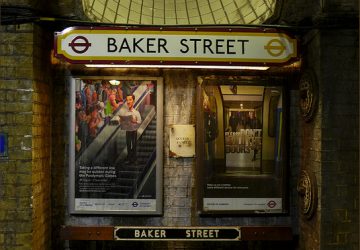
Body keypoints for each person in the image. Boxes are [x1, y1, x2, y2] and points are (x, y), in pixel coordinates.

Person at [120, 94, 142, 164]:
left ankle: (134, 159)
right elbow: (123, 122)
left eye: (130, 100)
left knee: (134, 144)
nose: (128, 102)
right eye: (127, 100)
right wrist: (122, 121)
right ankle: (129, 159)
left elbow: (139, 122)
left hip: (134, 131)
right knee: (128, 145)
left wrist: (135, 121)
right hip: (128, 131)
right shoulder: (125, 113)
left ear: (133, 101)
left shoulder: (136, 112)